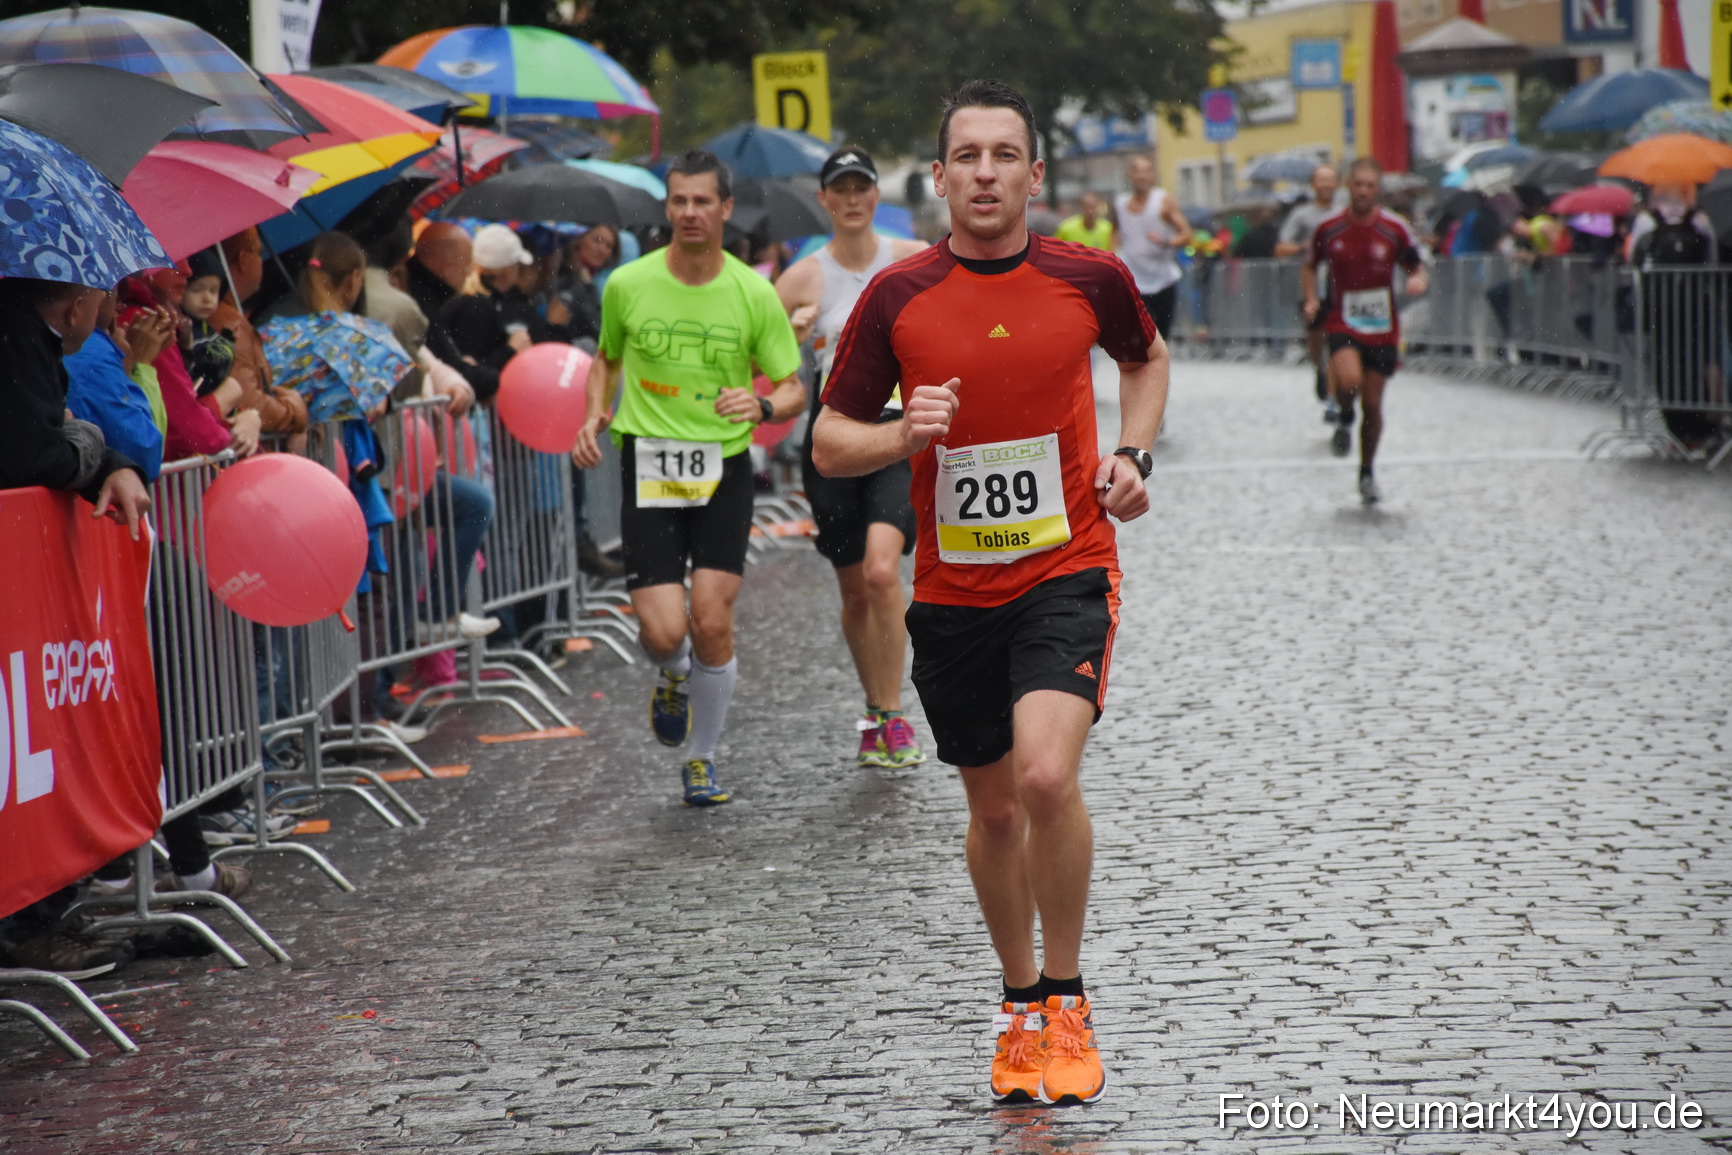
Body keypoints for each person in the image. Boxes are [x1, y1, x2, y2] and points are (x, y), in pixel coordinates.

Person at [812, 79, 1167, 1107]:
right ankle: (1017, 1006)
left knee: (1048, 779)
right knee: (997, 808)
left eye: (1003, 155)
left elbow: (1146, 359)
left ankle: (1067, 997)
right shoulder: (897, 296)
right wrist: (901, 433)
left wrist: (1134, 454)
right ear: (937, 177)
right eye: (965, 156)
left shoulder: (1086, 276)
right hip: (954, 591)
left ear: (1033, 174)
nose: (983, 173)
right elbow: (832, 442)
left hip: (1067, 566)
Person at [571, 149, 804, 807]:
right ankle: (673, 674)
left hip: (722, 464)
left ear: (726, 209)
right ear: (666, 207)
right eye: (680, 201)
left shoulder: (752, 292)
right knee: (665, 632)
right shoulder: (628, 284)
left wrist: (760, 406)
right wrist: (594, 413)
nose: (691, 212)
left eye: (704, 201)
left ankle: (701, 759)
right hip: (648, 462)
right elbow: (606, 360)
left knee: (711, 619)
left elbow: (791, 389)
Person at [0, 276, 154, 976]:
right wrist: (96, 448)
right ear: (74, 305)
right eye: (102, 298)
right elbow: (36, 450)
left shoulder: (33, 341)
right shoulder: (18, 341)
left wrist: (100, 458)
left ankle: (42, 912)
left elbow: (64, 435)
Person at [774, 146, 930, 769]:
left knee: (882, 573)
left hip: (896, 433)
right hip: (833, 437)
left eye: (862, 186)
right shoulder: (800, 278)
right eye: (840, 189)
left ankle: (893, 717)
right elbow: (777, 373)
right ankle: (875, 707)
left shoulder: (913, 261)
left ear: (875, 195)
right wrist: (794, 333)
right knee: (855, 592)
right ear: (825, 200)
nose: (853, 199)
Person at [1302, 157, 1428, 502]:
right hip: (1342, 319)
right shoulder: (1329, 229)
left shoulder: (1393, 229)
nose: (1363, 191)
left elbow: (1416, 266)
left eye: (1370, 186)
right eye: (1357, 185)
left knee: (1372, 405)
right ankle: (1344, 415)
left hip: (1382, 327)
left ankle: (1367, 472)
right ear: (1348, 186)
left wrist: (1417, 279)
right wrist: (1311, 298)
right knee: (1349, 381)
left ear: (1378, 191)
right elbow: (1310, 266)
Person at [1275, 163, 1342, 416]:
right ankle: (1320, 369)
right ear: (1313, 184)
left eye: (1330, 180)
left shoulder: (1344, 213)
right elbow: (1281, 249)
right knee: (1316, 341)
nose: (1325, 185)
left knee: (1337, 339)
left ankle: (1334, 397)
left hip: (1340, 286)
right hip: (1310, 286)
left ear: (1337, 183)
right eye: (1321, 180)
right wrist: (1305, 247)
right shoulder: (1302, 216)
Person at [1113, 153, 1193, 337]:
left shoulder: (1163, 200)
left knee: (1161, 340)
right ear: (1129, 176)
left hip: (1162, 281)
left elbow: (1187, 235)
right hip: (1133, 283)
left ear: (1154, 176)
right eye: (1137, 171)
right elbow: (1115, 232)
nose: (1142, 176)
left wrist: (1166, 242)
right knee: (1137, 340)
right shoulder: (1120, 203)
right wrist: (1113, 258)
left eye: (1147, 171)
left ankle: (1160, 364)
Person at [179, 250, 236, 398]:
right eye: (197, 290)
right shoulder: (180, 329)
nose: (207, 299)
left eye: (214, 291)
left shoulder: (208, 327)